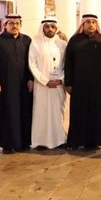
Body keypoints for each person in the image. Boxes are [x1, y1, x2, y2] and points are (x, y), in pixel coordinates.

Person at [64, 14, 101, 150]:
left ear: (96, 25)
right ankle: (76, 140)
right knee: (79, 110)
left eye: (93, 22)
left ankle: (94, 140)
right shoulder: (74, 40)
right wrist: (68, 83)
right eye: (88, 22)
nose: (91, 25)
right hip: (79, 82)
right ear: (82, 25)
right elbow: (68, 62)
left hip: (98, 82)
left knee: (96, 110)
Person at [0, 14, 34, 154]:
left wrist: (31, 78)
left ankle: (24, 142)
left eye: (17, 23)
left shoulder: (27, 40)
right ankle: (7, 143)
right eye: (11, 23)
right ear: (5, 25)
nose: (15, 26)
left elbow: (31, 62)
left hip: (24, 85)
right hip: (5, 85)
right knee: (7, 113)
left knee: (24, 112)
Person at [29, 18, 67, 150]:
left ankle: (59, 139)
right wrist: (45, 81)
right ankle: (41, 140)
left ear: (56, 28)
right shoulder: (35, 43)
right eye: (47, 27)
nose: (49, 29)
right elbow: (32, 64)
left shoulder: (62, 44)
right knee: (42, 112)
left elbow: (66, 65)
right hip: (42, 85)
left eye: (52, 26)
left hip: (58, 85)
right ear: (42, 28)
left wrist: (61, 79)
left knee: (57, 112)